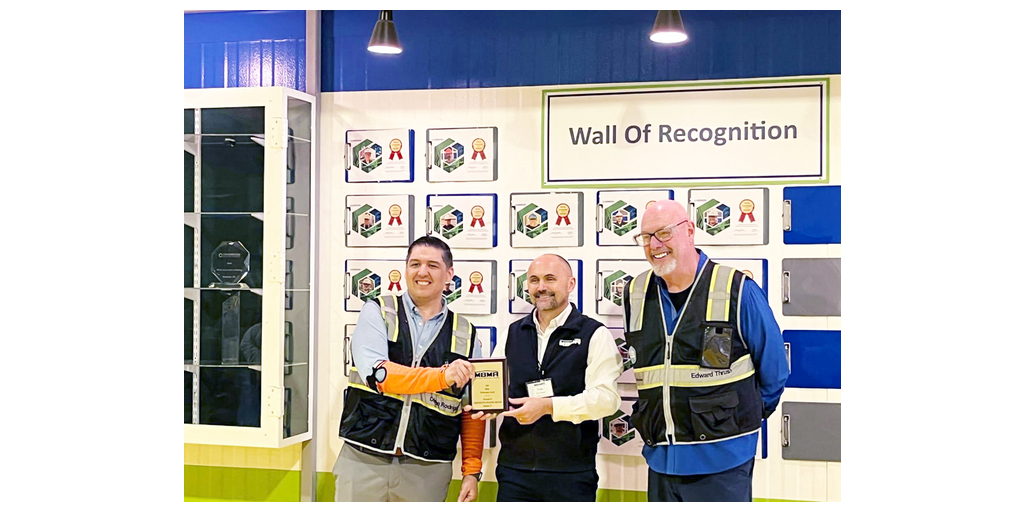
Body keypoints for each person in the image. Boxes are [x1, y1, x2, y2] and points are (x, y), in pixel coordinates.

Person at [621, 200, 789, 502]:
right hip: (660, 460)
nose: (654, 245)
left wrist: (737, 418)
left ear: (689, 231)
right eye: (646, 237)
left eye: (663, 233)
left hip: (723, 461)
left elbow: (774, 371)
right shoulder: (635, 292)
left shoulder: (736, 288)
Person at [334, 236, 485, 502]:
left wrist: (471, 470)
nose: (422, 272)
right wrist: (443, 376)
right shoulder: (378, 311)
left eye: (432, 265)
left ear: (449, 274)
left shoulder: (466, 333)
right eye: (415, 264)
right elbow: (379, 376)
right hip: (363, 458)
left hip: (428, 469)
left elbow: (472, 409)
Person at [468, 254, 622, 501]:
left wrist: (549, 407)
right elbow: (496, 388)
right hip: (514, 471)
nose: (541, 287)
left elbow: (606, 400)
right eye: (534, 280)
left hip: (571, 474)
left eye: (550, 279)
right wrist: (487, 405)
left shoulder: (594, 333)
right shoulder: (513, 333)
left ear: (570, 284)